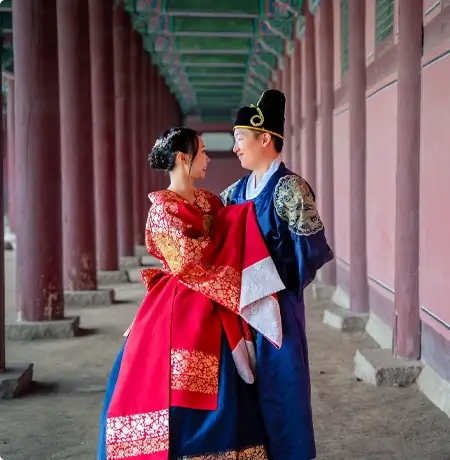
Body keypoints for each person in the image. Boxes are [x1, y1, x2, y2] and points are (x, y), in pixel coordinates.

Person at [97, 128, 285, 460]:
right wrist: (225, 249)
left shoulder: (210, 201)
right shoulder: (162, 209)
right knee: (170, 382)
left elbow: (231, 227)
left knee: (233, 385)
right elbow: (189, 263)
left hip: (215, 300)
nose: (208, 158)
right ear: (184, 159)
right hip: (178, 301)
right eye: (202, 152)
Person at [220, 89, 334, 460]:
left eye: (240, 138)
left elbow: (311, 250)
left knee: (283, 389)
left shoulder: (290, 189)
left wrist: (273, 280)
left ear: (264, 138)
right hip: (239, 310)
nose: (235, 147)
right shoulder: (235, 192)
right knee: (243, 391)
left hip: (278, 308)